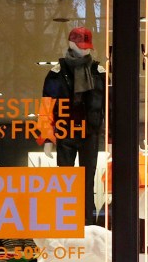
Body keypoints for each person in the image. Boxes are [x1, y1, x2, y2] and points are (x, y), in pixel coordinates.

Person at [36, 26, 107, 226]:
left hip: (90, 132)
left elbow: (108, 107)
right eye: (80, 45)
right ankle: (65, 222)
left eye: (87, 46)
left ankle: (88, 224)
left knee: (87, 179)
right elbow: (46, 107)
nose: (85, 50)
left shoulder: (98, 72)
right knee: (65, 179)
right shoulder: (55, 73)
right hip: (65, 131)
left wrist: (109, 138)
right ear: (70, 43)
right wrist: (48, 137)